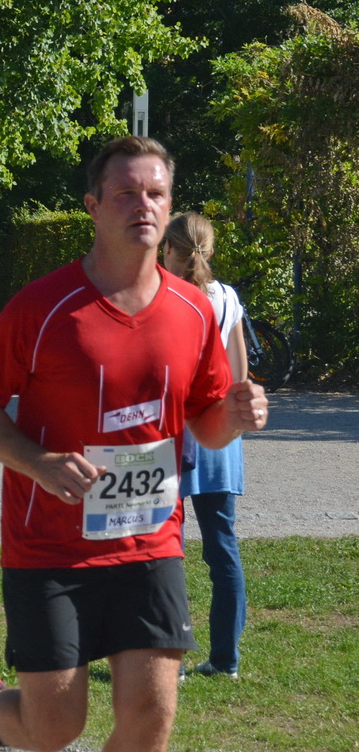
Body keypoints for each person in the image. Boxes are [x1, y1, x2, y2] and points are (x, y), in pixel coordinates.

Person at [0, 136, 268, 752]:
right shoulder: (43, 306)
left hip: (148, 539)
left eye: (156, 192)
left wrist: (234, 416)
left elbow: (204, 418)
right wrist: (35, 459)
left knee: (153, 712)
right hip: (49, 545)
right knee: (56, 727)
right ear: (93, 206)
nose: (144, 205)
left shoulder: (195, 309)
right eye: (126, 192)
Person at [161, 212, 249, 680]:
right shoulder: (227, 298)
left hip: (176, 430)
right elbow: (239, 375)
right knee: (222, 546)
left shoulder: (165, 295)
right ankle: (225, 659)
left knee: (163, 549)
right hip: (221, 433)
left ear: (168, 249)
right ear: (209, 251)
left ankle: (166, 655)